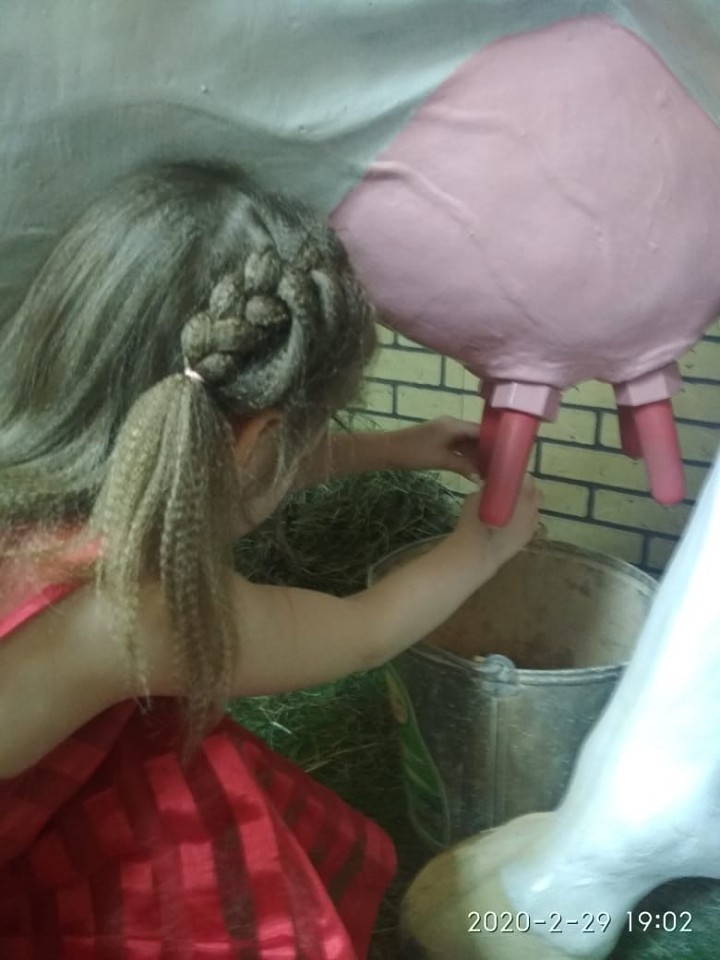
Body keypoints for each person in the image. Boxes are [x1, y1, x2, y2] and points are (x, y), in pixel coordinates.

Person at [0, 160, 541, 959]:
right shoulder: (134, 607)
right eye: (307, 433)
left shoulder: (40, 468)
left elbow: (216, 462)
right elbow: (362, 630)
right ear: (256, 438)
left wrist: (401, 446)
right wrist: (484, 545)